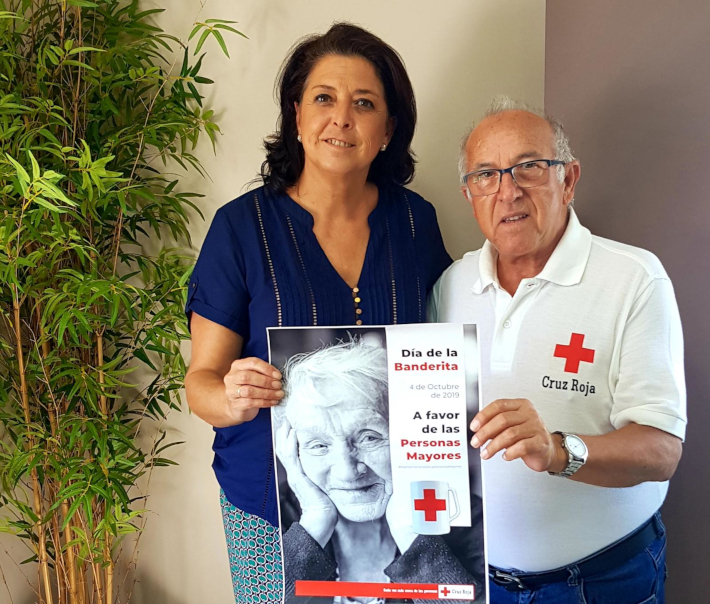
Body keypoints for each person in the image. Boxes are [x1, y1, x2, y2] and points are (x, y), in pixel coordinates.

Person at [184, 23, 452, 603]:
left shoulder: (415, 224)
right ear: (297, 117)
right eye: (324, 98)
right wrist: (231, 395)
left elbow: (442, 360)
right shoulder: (239, 229)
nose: (342, 118)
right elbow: (199, 385)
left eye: (364, 103)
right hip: (273, 506)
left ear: (387, 129)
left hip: (405, 502)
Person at [429, 96, 686, 604]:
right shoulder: (449, 286)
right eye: (486, 175)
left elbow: (662, 451)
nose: (507, 191)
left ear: (568, 180)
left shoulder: (634, 279)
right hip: (481, 581)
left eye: (528, 167)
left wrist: (558, 450)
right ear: (469, 195)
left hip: (603, 581)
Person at [273, 338, 485, 604]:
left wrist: (411, 535)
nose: (348, 471)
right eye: (318, 445)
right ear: (292, 452)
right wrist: (314, 523)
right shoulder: (274, 517)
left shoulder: (462, 516)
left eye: (369, 438)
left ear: (410, 437)